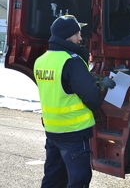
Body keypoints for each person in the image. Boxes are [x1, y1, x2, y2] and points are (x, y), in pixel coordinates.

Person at [33, 15, 116, 188]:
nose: (80, 38)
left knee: (53, 178)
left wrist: (95, 80)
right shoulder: (72, 61)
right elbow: (92, 98)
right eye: (77, 34)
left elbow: (64, 84)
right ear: (67, 36)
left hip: (52, 130)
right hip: (74, 131)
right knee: (79, 180)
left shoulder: (41, 61)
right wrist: (101, 88)